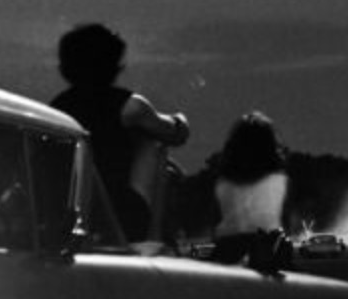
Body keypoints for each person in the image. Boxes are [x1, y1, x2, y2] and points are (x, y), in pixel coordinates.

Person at [50, 23, 189, 243]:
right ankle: (154, 239)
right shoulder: (130, 107)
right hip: (120, 211)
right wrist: (180, 119)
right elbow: (176, 134)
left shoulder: (57, 109)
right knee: (150, 140)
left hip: (69, 209)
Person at [208, 111, 291, 273]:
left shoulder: (221, 183)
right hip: (269, 249)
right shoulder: (281, 181)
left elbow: (215, 224)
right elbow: (286, 224)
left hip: (227, 252)